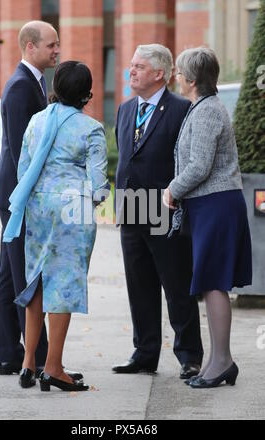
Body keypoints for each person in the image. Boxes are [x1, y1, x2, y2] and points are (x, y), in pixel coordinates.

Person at [3, 61, 110, 392]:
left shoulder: (37, 121)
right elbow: (98, 184)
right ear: (86, 93)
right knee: (63, 284)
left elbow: (23, 167)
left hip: (37, 207)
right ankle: (54, 368)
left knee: (36, 281)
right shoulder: (90, 128)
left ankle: (28, 363)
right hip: (71, 209)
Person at [163, 47, 252, 388]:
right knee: (211, 283)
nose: (177, 77)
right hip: (210, 205)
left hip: (216, 205)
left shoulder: (206, 111)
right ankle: (217, 361)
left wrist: (171, 191)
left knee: (215, 283)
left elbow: (199, 166)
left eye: (180, 72)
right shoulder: (203, 108)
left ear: (192, 79)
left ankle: (222, 361)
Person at [113, 44, 203, 379]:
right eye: (130, 65)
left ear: (159, 74)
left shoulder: (181, 109)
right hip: (131, 211)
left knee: (177, 285)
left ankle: (190, 355)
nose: (131, 71)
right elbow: (127, 158)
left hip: (166, 210)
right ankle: (145, 352)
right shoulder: (125, 109)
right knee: (139, 287)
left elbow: (190, 159)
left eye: (138, 66)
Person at [0, 21, 60, 376]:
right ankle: (41, 360)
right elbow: (24, 155)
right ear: (30, 47)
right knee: (24, 277)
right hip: (17, 195)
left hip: (12, 193)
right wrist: (34, 199)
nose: (57, 50)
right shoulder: (21, 87)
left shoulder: (35, 81)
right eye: (51, 45)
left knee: (9, 274)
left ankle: (8, 354)